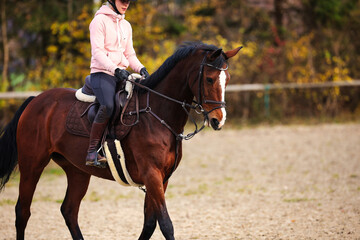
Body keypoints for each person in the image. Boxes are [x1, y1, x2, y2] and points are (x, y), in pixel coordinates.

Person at [86, 0, 149, 167]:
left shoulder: (126, 25)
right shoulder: (98, 21)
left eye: (128, 1)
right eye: (123, 0)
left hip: (120, 73)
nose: (126, 4)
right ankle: (92, 152)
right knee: (108, 105)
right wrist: (115, 69)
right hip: (102, 73)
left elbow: (130, 54)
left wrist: (141, 68)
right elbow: (98, 53)